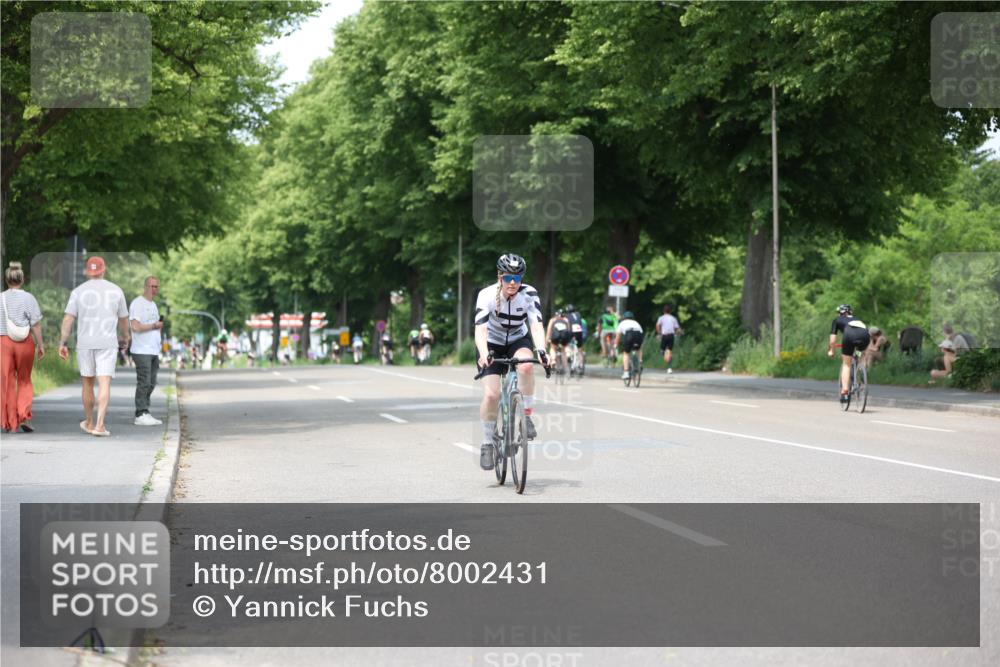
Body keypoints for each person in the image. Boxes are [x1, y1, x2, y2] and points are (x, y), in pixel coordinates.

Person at [474, 253, 550, 471]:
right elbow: (480, 329)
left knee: (526, 365)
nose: (513, 283)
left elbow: (536, 325)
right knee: (491, 394)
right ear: (500, 277)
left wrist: (542, 350)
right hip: (491, 343)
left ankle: (526, 417)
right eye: (508, 278)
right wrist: (483, 352)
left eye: (518, 278)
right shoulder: (486, 295)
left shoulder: (529, 294)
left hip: (518, 338)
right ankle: (488, 442)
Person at [58, 256, 129, 437]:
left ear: (88, 272)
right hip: (107, 343)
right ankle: (100, 425)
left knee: (87, 383)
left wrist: (63, 342)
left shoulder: (78, 291)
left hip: (85, 343)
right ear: (104, 270)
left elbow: (68, 318)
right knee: (104, 382)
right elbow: (123, 319)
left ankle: (89, 422)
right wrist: (125, 337)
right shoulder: (116, 290)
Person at [1, 262, 44, 433]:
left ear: (6, 280)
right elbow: (36, 325)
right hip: (24, 343)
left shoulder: (0, 297)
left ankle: (11, 423)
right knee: (24, 380)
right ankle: (24, 415)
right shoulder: (29, 298)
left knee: (7, 382)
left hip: (3, 342)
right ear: (22, 279)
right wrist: (41, 345)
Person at [129, 276, 164, 426]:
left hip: (153, 350)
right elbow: (135, 327)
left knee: (152, 382)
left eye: (157, 286)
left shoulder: (154, 305)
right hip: (141, 349)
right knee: (144, 381)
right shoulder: (138, 304)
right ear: (145, 287)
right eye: (152, 286)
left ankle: (146, 411)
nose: (154, 289)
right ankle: (140, 413)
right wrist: (154, 326)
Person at [826, 304, 870, 404]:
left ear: (840, 313)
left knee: (846, 364)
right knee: (859, 353)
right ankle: (861, 370)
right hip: (864, 336)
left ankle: (845, 392)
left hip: (849, 336)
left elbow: (833, 341)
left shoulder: (837, 320)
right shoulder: (858, 319)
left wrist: (831, 351)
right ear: (850, 312)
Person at [614, 311, 644, 380]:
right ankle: (640, 361)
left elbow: (618, 336)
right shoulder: (636, 323)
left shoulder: (622, 323)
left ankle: (626, 372)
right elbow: (641, 333)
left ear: (624, 317)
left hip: (629, 335)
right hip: (638, 335)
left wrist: (615, 344)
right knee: (639, 349)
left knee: (626, 353)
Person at [655, 305, 683, 373]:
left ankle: (666, 358)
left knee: (662, 351)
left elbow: (657, 325)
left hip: (664, 336)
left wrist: (659, 333)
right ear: (670, 311)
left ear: (663, 311)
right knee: (669, 351)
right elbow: (677, 328)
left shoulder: (661, 318)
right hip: (671, 336)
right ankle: (669, 368)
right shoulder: (673, 318)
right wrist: (680, 332)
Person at [545, 308, 572, 372]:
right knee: (565, 347)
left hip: (555, 337)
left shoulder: (553, 320)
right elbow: (568, 331)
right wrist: (569, 340)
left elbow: (549, 332)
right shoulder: (566, 320)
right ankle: (568, 355)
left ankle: (553, 360)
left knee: (553, 348)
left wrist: (546, 342)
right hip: (564, 337)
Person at [565, 304, 586, 372]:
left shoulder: (567, 316)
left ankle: (568, 355)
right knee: (580, 349)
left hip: (572, 331)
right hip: (579, 331)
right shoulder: (578, 314)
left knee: (568, 345)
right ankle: (581, 365)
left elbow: (568, 325)